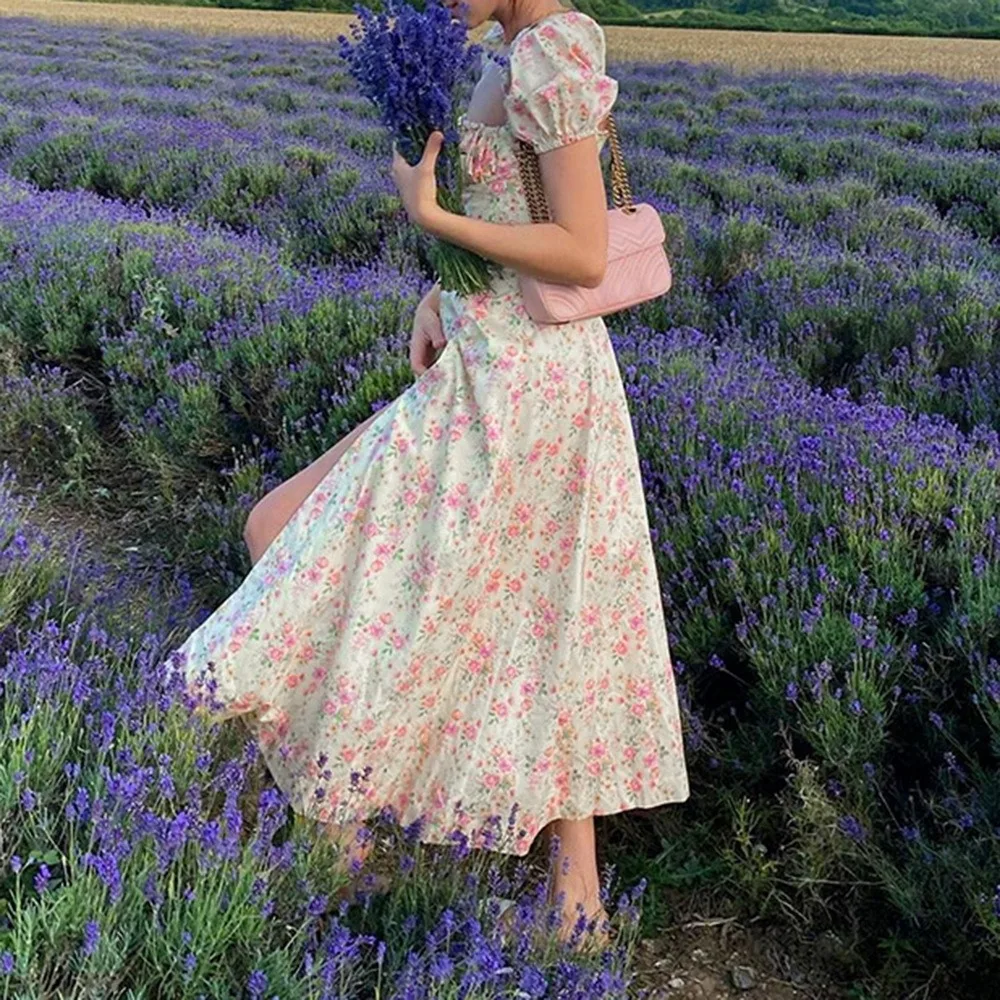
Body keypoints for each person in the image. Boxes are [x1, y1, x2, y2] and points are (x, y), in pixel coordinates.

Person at [171, 0, 689, 952]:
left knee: (293, 534)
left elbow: (581, 250)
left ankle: (348, 830)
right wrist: (437, 289)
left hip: (527, 388)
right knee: (543, 619)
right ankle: (568, 904)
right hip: (486, 364)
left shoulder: (554, 50)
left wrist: (431, 214)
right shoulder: (510, 48)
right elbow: (517, 213)